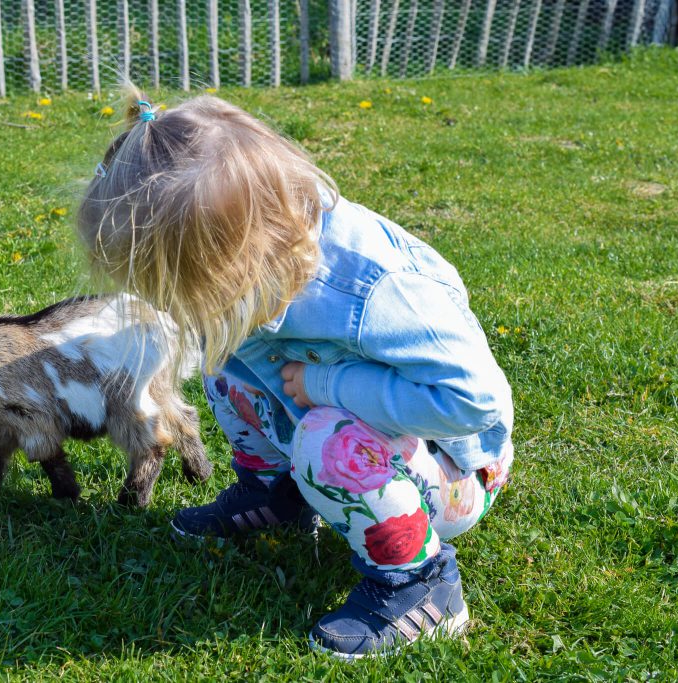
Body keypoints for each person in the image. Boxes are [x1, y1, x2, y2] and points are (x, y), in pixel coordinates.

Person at [76, 89, 514, 660]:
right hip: (349, 420)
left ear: (235, 256)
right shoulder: (268, 255)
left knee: (326, 441)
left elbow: (471, 401)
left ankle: (420, 585)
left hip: (455, 468)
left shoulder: (375, 292)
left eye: (180, 289)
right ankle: (279, 495)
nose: (172, 306)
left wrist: (327, 387)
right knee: (222, 364)